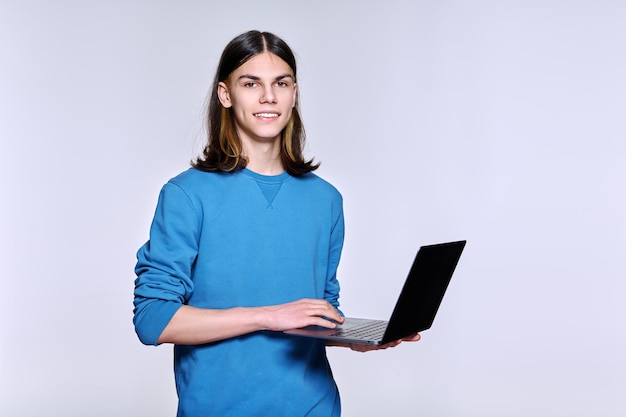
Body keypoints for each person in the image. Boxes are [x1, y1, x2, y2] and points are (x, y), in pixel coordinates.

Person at [133, 30, 420, 417]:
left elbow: (318, 310)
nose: (269, 97)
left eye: (281, 83)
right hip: (219, 408)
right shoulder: (187, 195)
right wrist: (267, 316)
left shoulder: (326, 199)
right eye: (251, 84)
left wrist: (352, 336)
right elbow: (153, 321)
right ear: (226, 94)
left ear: (294, 93)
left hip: (314, 406)